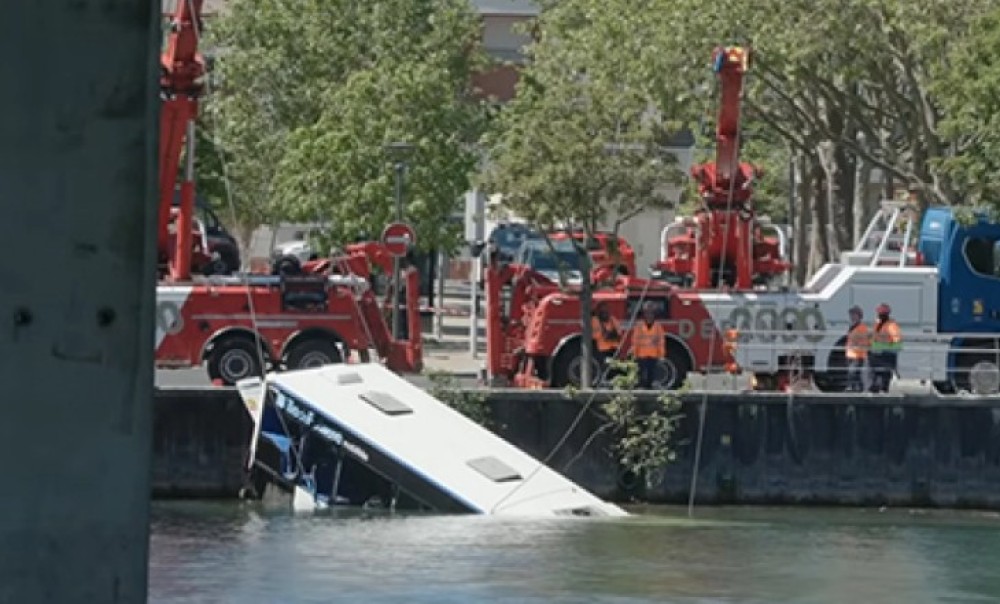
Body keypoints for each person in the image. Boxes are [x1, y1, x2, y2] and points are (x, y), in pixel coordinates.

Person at [631, 301, 666, 389]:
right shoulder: (639, 326)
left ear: (654, 314)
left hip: (653, 355)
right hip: (641, 355)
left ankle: (649, 388)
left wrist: (661, 355)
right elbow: (635, 341)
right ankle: (641, 388)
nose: (649, 315)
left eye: (651, 313)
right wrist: (635, 354)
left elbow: (661, 342)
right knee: (641, 374)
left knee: (652, 374)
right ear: (644, 314)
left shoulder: (658, 326)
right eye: (647, 313)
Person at [869, 303, 902, 393]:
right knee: (875, 374)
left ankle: (883, 388)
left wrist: (881, 347)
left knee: (884, 376)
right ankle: (876, 387)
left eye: (881, 313)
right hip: (876, 356)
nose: (879, 315)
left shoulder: (891, 326)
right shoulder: (878, 324)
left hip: (886, 357)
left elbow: (897, 345)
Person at [590, 302, 621, 384]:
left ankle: (614, 383)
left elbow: (619, 334)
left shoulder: (613, 320)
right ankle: (603, 383)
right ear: (599, 312)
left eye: (606, 311)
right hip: (602, 349)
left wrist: (611, 335)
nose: (605, 313)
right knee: (604, 367)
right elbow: (595, 335)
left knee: (615, 368)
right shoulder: (595, 321)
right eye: (602, 311)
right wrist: (606, 335)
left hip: (614, 348)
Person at [845, 305, 871, 392]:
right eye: (851, 314)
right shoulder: (852, 327)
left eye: (854, 314)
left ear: (859, 316)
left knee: (854, 372)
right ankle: (855, 388)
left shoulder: (861, 328)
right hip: (851, 354)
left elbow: (864, 342)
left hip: (858, 354)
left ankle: (856, 389)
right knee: (853, 373)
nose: (852, 316)